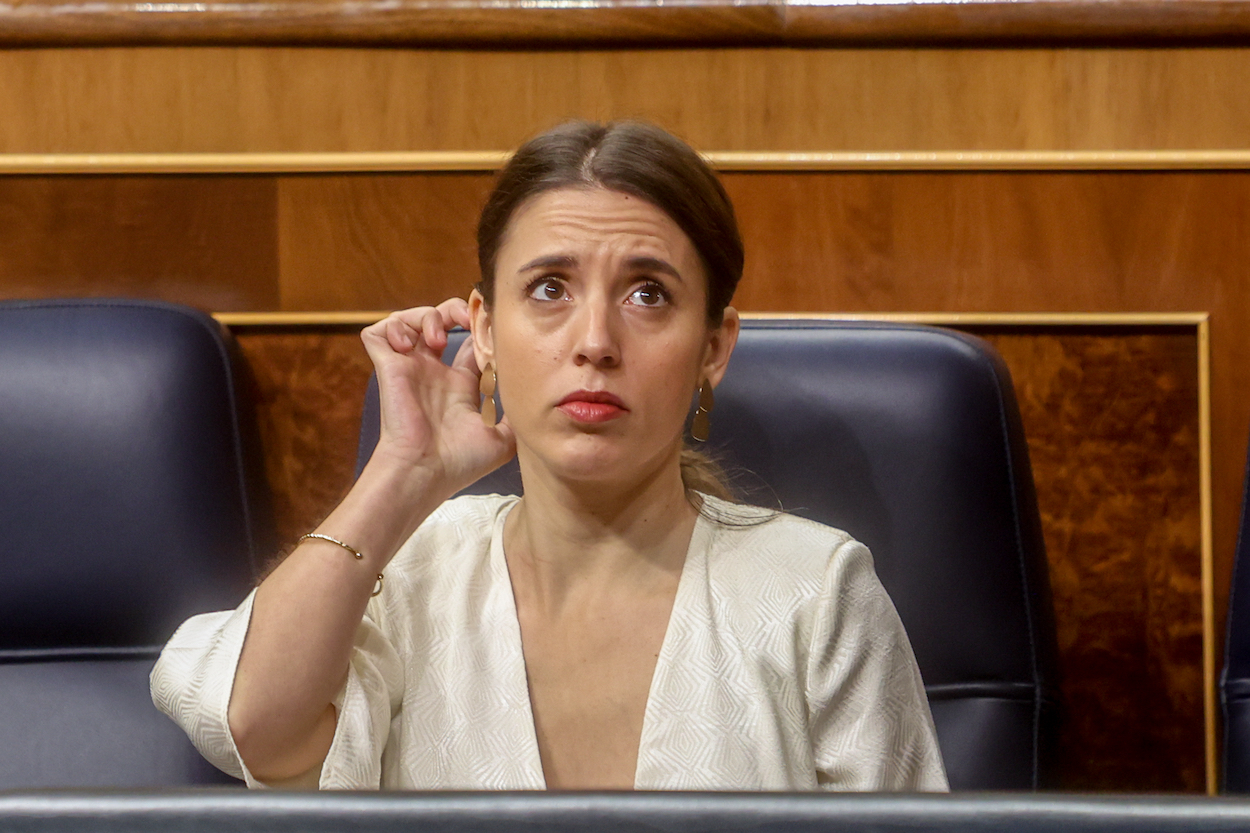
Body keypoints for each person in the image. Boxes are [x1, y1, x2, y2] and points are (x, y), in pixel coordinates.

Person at [151, 120, 948, 792]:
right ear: (485, 329)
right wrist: (403, 472)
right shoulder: (414, 567)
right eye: (549, 289)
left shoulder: (816, 592)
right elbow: (254, 727)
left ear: (714, 346)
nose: (595, 342)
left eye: (648, 293)